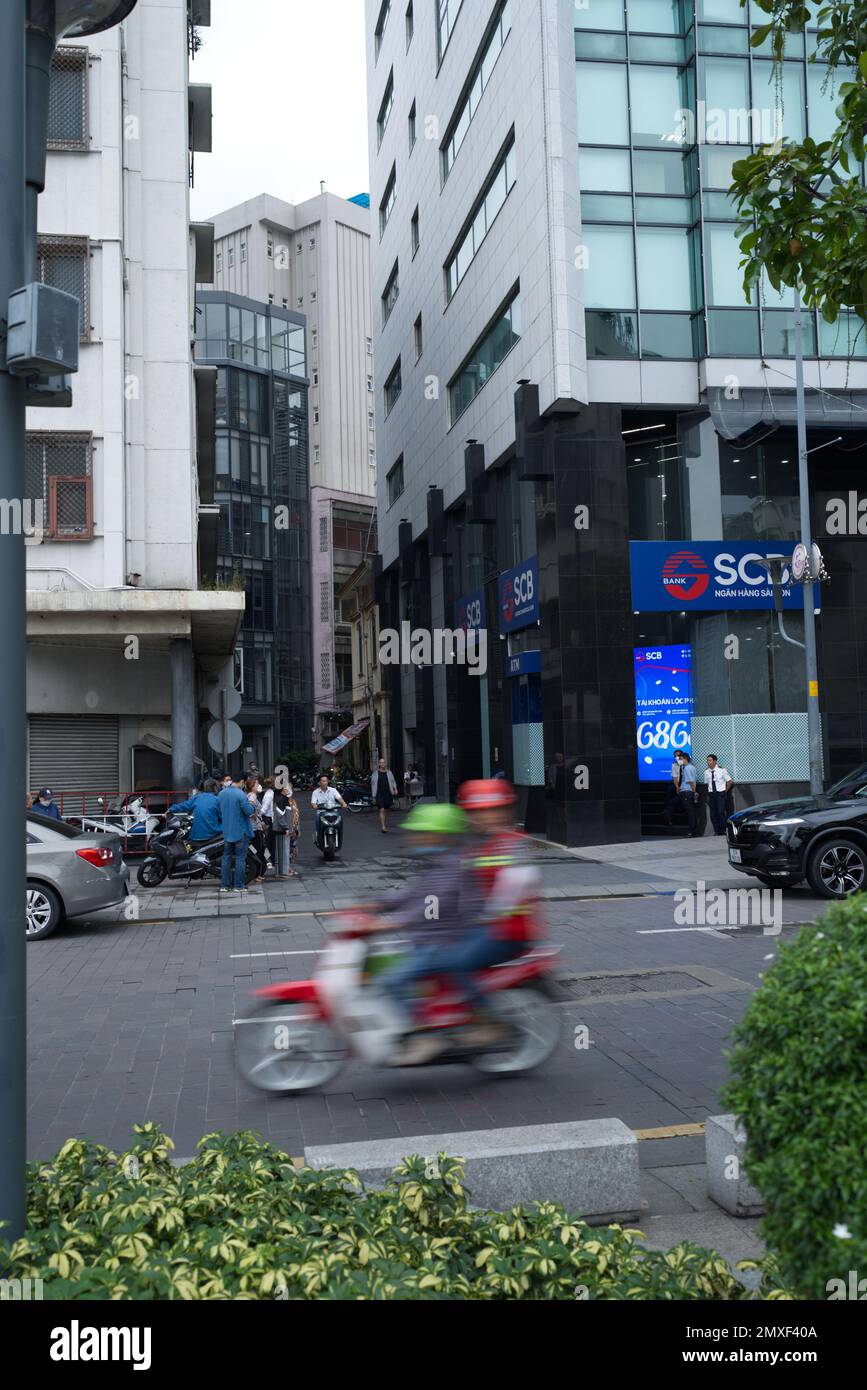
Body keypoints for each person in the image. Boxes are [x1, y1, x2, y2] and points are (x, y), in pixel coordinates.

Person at [218, 774, 254, 894]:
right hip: (240, 831)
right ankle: (238, 886)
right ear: (242, 782)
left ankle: (224, 885)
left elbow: (219, 811)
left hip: (227, 831)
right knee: (240, 858)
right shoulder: (240, 794)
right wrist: (252, 805)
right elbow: (248, 811)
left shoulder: (221, 793)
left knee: (226, 857)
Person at [169, 779, 221, 847]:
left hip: (195, 836)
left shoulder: (197, 798)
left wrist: (171, 809)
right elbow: (223, 817)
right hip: (211, 834)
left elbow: (184, 805)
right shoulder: (217, 800)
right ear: (215, 788)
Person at [272, 783, 300, 878]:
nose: (289, 789)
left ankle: (280, 872)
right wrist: (286, 828)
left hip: (281, 829)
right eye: (287, 788)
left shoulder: (281, 799)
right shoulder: (282, 800)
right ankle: (283, 872)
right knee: (284, 851)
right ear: (283, 789)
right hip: (282, 829)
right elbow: (280, 816)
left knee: (281, 851)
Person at [311, 774, 348, 841]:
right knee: (317, 821)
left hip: (333, 812)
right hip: (321, 813)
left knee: (340, 821)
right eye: (323, 781)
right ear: (319, 783)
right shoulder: (315, 792)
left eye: (326, 781)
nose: (325, 782)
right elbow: (313, 803)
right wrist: (314, 805)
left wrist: (343, 803)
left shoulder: (333, 790)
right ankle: (318, 836)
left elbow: (339, 798)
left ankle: (339, 835)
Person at [245, 776, 267, 882]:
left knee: (258, 850)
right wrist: (253, 815)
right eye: (256, 784)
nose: (258, 786)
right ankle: (258, 873)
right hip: (254, 828)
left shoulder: (253, 796)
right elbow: (250, 811)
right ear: (252, 786)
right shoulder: (252, 797)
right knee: (258, 851)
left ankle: (258, 872)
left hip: (256, 827)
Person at [704, 755, 733, 836]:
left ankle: (723, 830)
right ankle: (716, 831)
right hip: (711, 794)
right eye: (707, 760)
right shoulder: (706, 771)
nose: (708, 762)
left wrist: (725, 791)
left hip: (720, 793)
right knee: (713, 814)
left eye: (710, 760)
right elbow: (707, 783)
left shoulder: (721, 770)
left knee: (720, 812)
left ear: (715, 761)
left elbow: (729, 781)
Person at [371, 757, 398, 834]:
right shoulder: (375, 773)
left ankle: (384, 821)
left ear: (385, 764)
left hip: (388, 793)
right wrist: (373, 795)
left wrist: (395, 789)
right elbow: (373, 784)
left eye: (383, 762)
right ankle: (383, 826)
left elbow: (393, 781)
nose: (382, 764)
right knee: (382, 809)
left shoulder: (389, 773)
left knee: (387, 809)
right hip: (379, 793)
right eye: (381, 762)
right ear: (379, 764)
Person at [677, 751, 699, 836]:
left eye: (681, 759)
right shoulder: (690, 767)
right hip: (689, 791)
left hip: (687, 791)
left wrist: (694, 792)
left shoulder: (687, 768)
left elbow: (690, 781)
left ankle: (691, 831)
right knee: (691, 812)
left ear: (685, 759)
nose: (679, 761)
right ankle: (692, 830)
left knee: (690, 813)